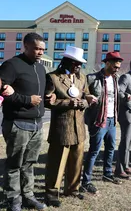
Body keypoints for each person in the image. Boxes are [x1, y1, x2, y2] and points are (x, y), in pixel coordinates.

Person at [0, 33, 49, 211]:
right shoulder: (12, 65)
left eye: (42, 49)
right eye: (36, 48)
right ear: (25, 46)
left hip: (37, 124)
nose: (40, 52)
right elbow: (1, 88)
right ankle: (13, 200)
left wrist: (48, 98)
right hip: (17, 123)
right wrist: (26, 100)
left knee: (29, 164)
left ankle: (28, 196)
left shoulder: (41, 68)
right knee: (14, 165)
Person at [44, 46, 94, 207]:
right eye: (75, 63)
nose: (78, 66)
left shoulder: (82, 78)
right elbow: (47, 102)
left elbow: (87, 96)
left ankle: (72, 189)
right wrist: (67, 102)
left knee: (77, 160)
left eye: (80, 64)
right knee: (57, 162)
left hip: (79, 127)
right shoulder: (52, 78)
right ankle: (52, 193)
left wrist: (84, 102)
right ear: (66, 61)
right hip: (61, 128)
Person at [80, 52, 123, 194]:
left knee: (110, 148)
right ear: (107, 63)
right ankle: (86, 181)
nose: (117, 69)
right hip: (98, 120)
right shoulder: (92, 78)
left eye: (118, 67)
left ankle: (107, 173)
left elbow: (117, 96)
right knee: (94, 151)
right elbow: (81, 93)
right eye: (115, 66)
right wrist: (87, 96)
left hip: (111, 119)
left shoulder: (115, 79)